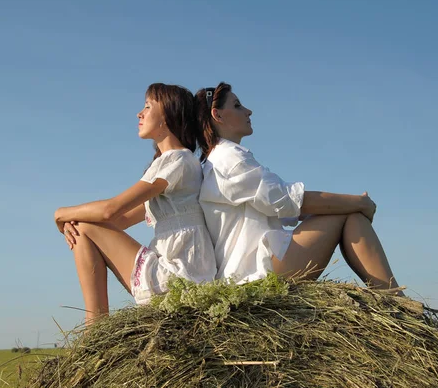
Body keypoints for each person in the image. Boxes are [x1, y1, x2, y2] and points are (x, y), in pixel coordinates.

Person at [195, 82, 404, 295]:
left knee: (349, 212)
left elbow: (289, 208)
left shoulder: (219, 160)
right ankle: (395, 298)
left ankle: (393, 297)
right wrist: (361, 203)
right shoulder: (229, 158)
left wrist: (352, 204)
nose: (248, 111)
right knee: (350, 212)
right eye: (237, 105)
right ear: (217, 115)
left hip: (250, 271)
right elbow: (289, 201)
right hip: (257, 273)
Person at [55, 83, 217, 324]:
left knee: (84, 225)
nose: (139, 114)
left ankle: (94, 326)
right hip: (182, 274)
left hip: (178, 276)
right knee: (83, 226)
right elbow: (120, 221)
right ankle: (95, 325)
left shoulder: (178, 160)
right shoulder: (175, 163)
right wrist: (71, 222)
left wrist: (60, 214)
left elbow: (111, 210)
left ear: (168, 116)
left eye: (147, 106)